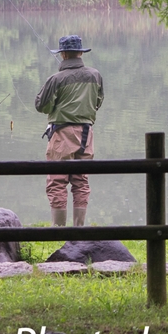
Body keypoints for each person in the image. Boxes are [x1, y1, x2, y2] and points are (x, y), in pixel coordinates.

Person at [34, 35, 104, 227]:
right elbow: (98, 102)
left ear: (63, 54)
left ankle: (59, 231)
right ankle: (79, 229)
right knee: (81, 181)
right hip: (87, 134)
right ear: (80, 52)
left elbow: (42, 106)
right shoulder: (95, 75)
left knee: (57, 181)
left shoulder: (56, 79)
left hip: (62, 134)